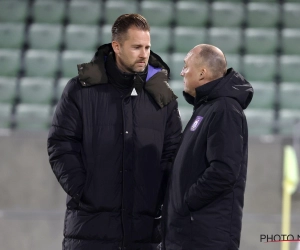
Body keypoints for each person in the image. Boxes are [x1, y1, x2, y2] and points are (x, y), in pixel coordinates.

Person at [47, 14, 182, 250]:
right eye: (136, 47)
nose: (144, 54)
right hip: (90, 228)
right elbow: (61, 143)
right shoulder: (80, 89)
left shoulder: (162, 96)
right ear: (117, 47)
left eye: (148, 47)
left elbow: (172, 152)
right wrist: (83, 189)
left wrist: (158, 194)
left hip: (144, 231)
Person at [162, 44, 254, 250]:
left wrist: (186, 203)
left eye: (186, 66)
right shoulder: (207, 107)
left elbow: (224, 170)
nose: (182, 72)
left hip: (204, 236)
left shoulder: (225, 109)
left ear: (202, 72)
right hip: (191, 232)